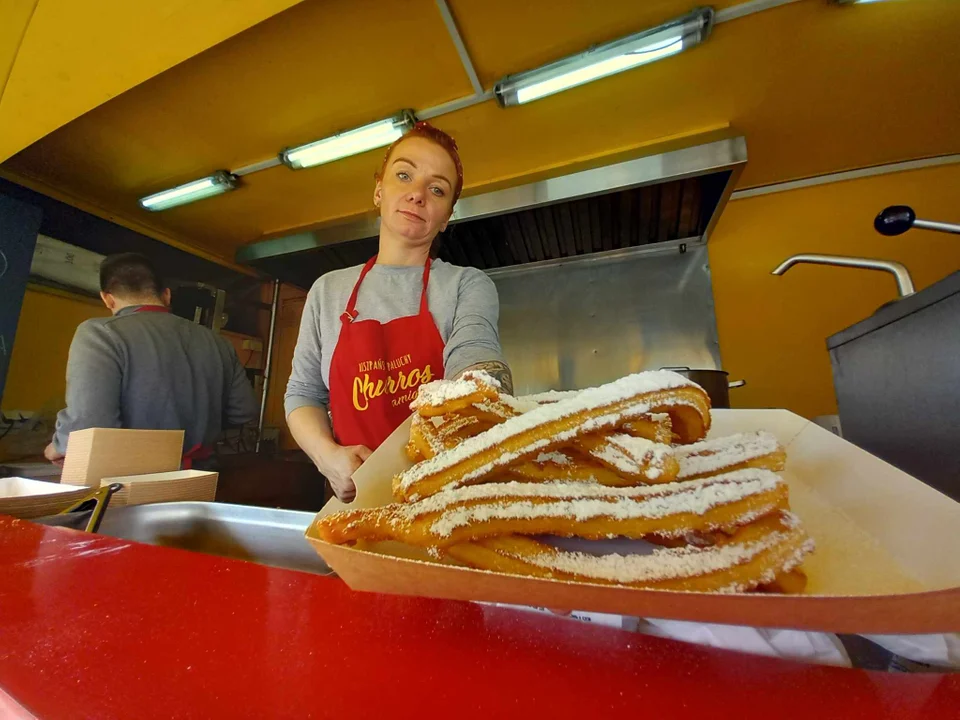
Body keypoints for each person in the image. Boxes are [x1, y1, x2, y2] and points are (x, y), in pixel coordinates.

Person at [285, 122, 510, 502]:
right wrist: (328, 458)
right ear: (378, 191)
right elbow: (302, 393)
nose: (417, 194)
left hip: (441, 502)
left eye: (437, 189)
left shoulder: (466, 285)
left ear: (446, 217)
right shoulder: (327, 291)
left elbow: (477, 361)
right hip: (351, 503)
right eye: (404, 175)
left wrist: (485, 386)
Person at [44, 252, 258, 468]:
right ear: (166, 295)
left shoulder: (100, 334)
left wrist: (59, 445)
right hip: (201, 478)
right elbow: (244, 411)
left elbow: (88, 425)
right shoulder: (218, 343)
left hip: (131, 480)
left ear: (107, 299)